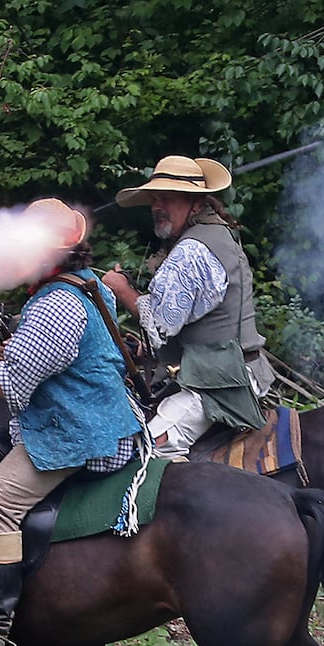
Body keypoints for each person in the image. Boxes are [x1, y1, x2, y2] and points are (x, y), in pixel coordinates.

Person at [0, 198, 142, 646]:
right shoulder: (86, 283)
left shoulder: (55, 303)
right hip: (101, 414)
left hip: (81, 430)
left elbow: (10, 385)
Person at [102, 155, 274, 460]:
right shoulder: (203, 237)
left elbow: (159, 324)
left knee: (144, 451)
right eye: (154, 199)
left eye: (167, 199)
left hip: (220, 381)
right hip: (214, 370)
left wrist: (120, 289)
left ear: (195, 204)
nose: (157, 206)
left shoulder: (193, 251)